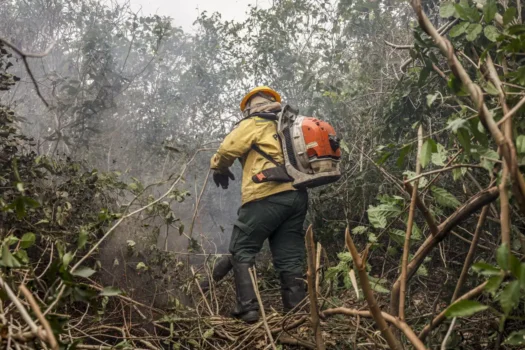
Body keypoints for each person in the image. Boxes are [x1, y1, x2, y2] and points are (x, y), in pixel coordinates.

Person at [210, 86, 308, 324]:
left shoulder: (254, 123)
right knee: (290, 257)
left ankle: (248, 309)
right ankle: (297, 314)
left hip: (266, 193)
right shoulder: (287, 125)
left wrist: (219, 167)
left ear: (250, 108)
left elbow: (227, 149)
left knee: (242, 249)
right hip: (297, 196)